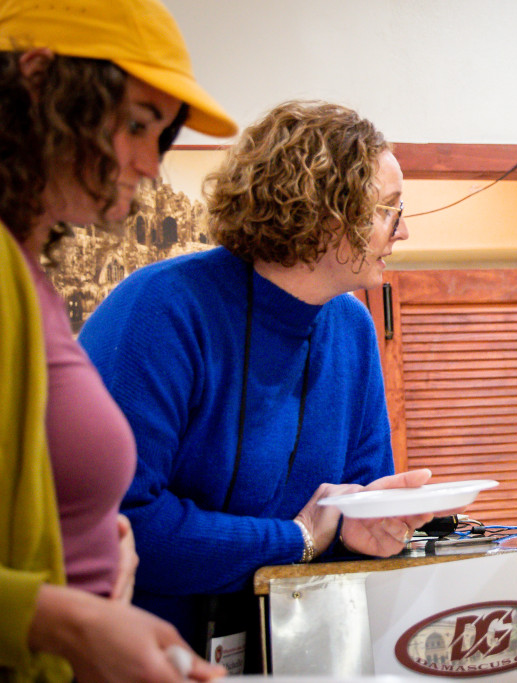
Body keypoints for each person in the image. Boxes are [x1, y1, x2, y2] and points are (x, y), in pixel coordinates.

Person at [78, 100, 444, 666]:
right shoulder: (162, 309)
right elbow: (124, 525)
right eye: (388, 210)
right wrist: (296, 539)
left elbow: (352, 508)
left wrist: (371, 526)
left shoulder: (352, 327)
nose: (403, 231)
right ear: (324, 212)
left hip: (298, 656)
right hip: (146, 660)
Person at [0, 0, 237, 679]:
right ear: (40, 82)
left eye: (159, 134)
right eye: (136, 124)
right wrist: (68, 619)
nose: (150, 162)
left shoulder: (25, 268)